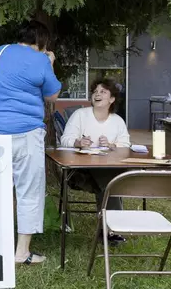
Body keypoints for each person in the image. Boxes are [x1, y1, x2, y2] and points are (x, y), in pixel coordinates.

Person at [0, 20, 61, 265]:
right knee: (29, 191)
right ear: (42, 42)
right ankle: (21, 252)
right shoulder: (41, 60)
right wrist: (50, 63)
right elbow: (52, 95)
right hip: (26, 132)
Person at [60, 78, 131, 243]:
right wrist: (78, 143)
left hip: (108, 170)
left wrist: (112, 145)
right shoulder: (80, 115)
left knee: (109, 178)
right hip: (79, 172)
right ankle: (113, 230)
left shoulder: (117, 121)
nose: (97, 94)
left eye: (103, 92)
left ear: (112, 99)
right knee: (111, 181)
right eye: (95, 92)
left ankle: (109, 230)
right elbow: (65, 139)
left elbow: (126, 145)